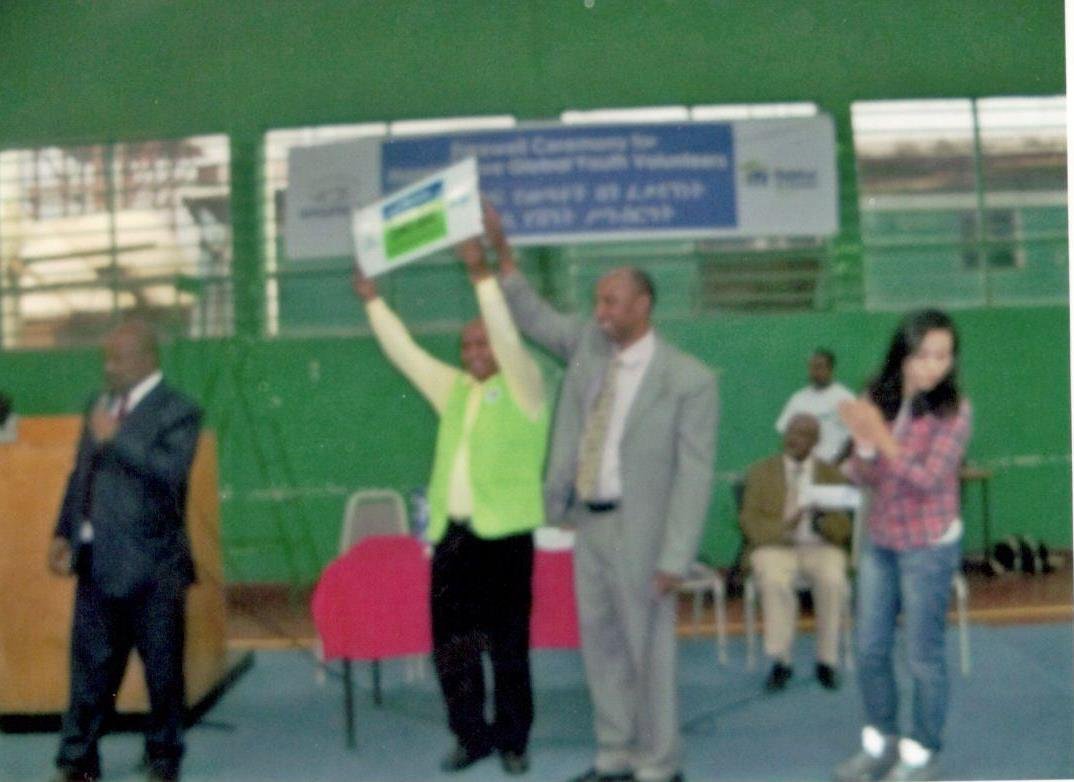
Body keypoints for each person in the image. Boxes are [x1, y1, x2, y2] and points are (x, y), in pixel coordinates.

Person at [489, 207, 718, 782]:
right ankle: (616, 753)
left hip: (645, 532)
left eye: (611, 302)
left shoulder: (688, 380)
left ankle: (659, 763)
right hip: (588, 524)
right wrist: (503, 257)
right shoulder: (588, 347)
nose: (600, 313)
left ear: (642, 305)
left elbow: (694, 477)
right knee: (602, 648)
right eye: (597, 302)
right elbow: (534, 317)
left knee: (649, 654)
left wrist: (675, 557)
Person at [351, 236, 548, 776]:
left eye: (484, 344)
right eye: (467, 346)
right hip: (454, 538)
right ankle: (470, 736)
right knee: (454, 649)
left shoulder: (527, 387)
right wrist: (373, 301)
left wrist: (482, 278)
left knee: (507, 647)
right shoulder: (454, 389)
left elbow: (508, 336)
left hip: (506, 539)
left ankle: (513, 741)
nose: (475, 352)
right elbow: (406, 353)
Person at [47, 320, 203, 782]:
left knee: (162, 672)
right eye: (106, 359)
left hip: (154, 566)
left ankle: (164, 757)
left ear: (147, 359)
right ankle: (77, 760)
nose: (109, 368)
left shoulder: (179, 411)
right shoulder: (100, 406)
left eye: (118, 359)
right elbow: (81, 473)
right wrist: (63, 531)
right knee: (90, 668)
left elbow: (170, 473)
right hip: (97, 561)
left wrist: (116, 438)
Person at [833, 310, 972, 782]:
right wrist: (864, 446)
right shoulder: (879, 397)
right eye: (924, 355)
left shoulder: (954, 410)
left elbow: (930, 479)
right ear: (903, 353)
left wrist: (882, 440)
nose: (934, 366)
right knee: (869, 649)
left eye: (943, 356)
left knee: (922, 656)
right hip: (882, 538)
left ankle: (922, 751)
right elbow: (860, 475)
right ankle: (880, 742)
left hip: (930, 543)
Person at [739, 413, 851, 693]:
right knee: (773, 580)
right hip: (775, 545)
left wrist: (821, 520)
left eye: (802, 434)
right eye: (790, 432)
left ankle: (826, 661)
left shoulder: (831, 475)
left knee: (833, 580)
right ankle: (781, 661)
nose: (793, 439)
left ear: (815, 441)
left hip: (820, 546)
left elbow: (844, 530)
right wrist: (786, 526)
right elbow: (749, 522)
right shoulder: (760, 472)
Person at [775, 348, 854, 465]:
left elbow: (853, 439)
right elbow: (785, 432)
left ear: (831, 369)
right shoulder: (798, 399)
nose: (814, 372)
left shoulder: (845, 399)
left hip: (832, 466)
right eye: (811, 367)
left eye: (819, 367)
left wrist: (836, 465)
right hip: (802, 467)